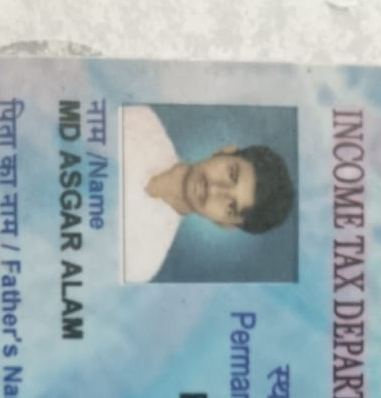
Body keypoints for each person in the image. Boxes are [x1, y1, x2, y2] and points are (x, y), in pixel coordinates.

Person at [122, 105, 295, 282]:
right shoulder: (139, 121)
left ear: (225, 224)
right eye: (231, 174)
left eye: (231, 207)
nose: (214, 189)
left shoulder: (142, 262)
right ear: (225, 151)